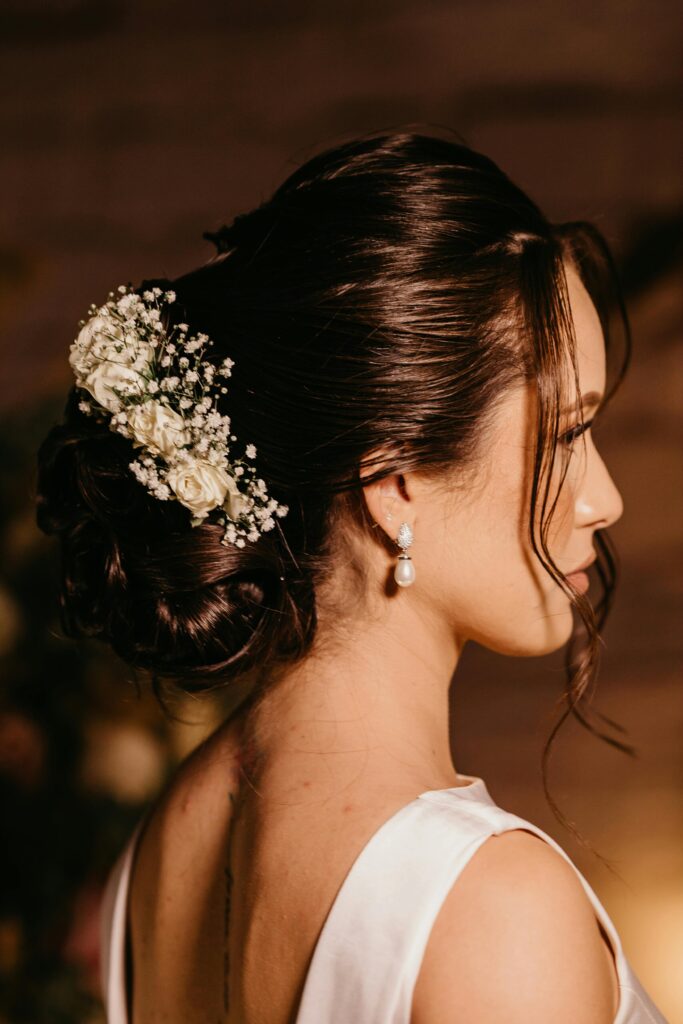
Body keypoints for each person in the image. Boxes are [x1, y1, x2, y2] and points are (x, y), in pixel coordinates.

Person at [36, 130, 669, 1023]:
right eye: (566, 434)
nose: (604, 500)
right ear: (394, 481)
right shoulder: (495, 914)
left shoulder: (160, 848)